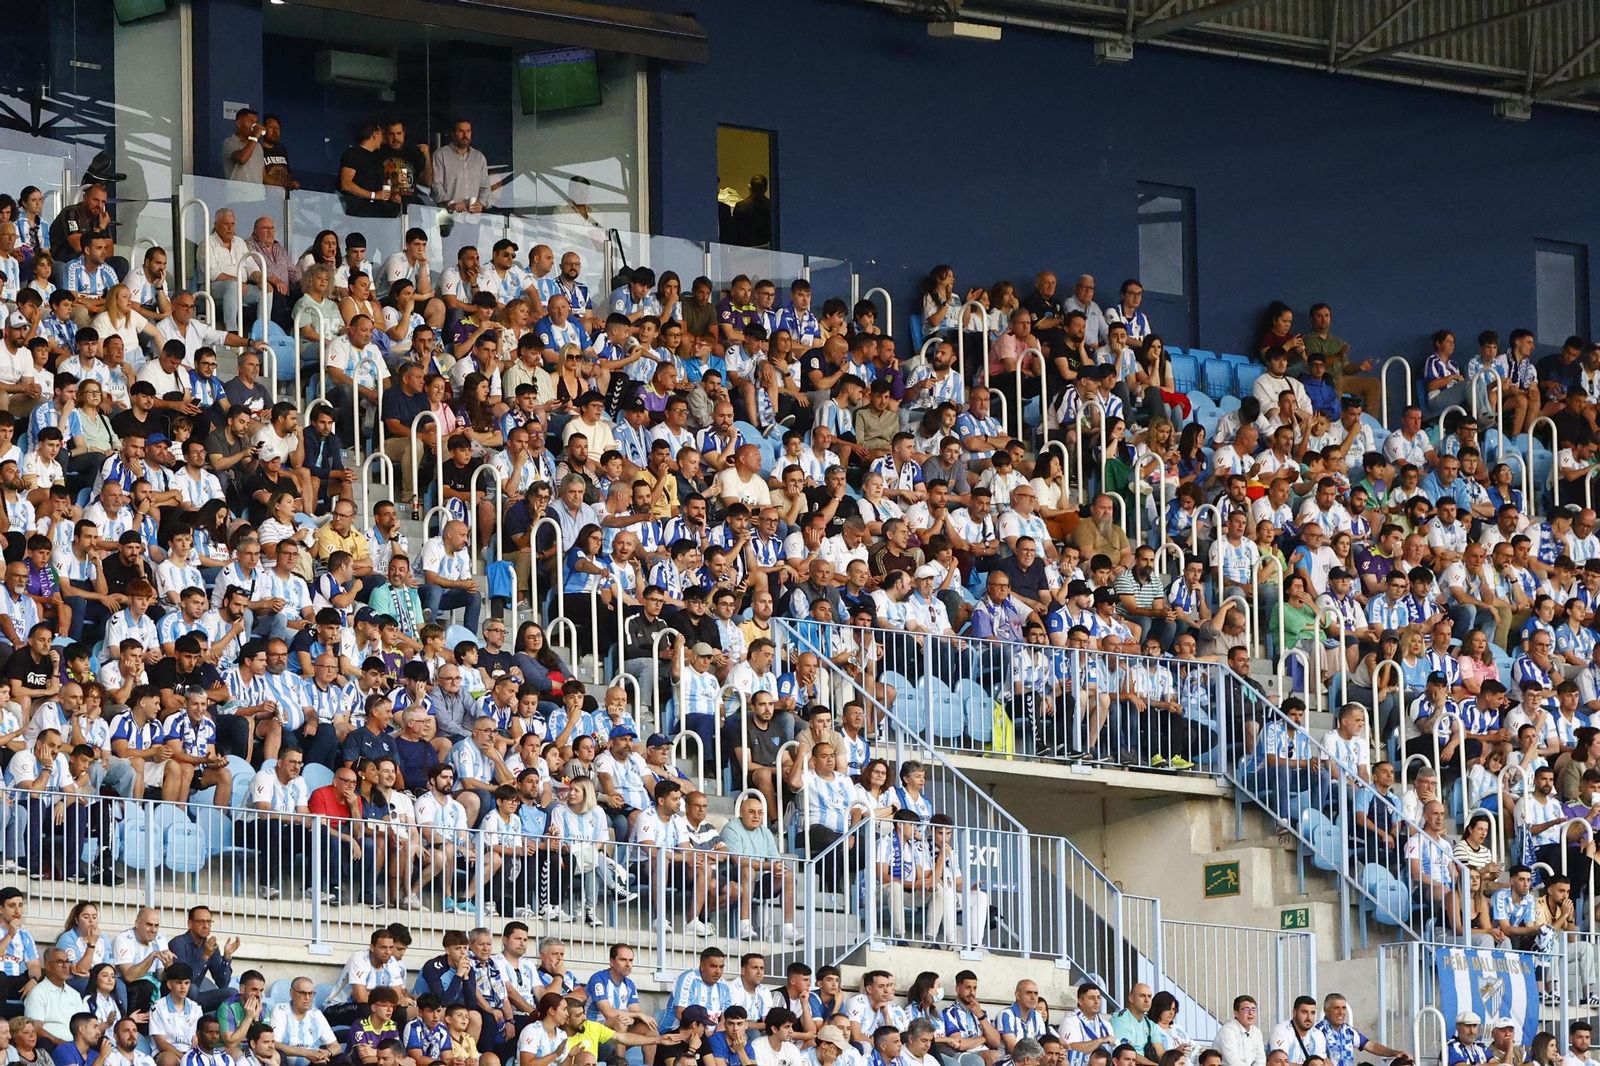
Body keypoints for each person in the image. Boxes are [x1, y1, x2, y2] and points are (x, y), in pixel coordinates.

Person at [1215, 998, 1265, 1066]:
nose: (1251, 1013)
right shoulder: (1227, 1031)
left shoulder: (1257, 1032)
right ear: (1236, 1013)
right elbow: (1233, 1061)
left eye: (1253, 1010)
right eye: (1246, 1010)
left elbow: (1260, 1060)